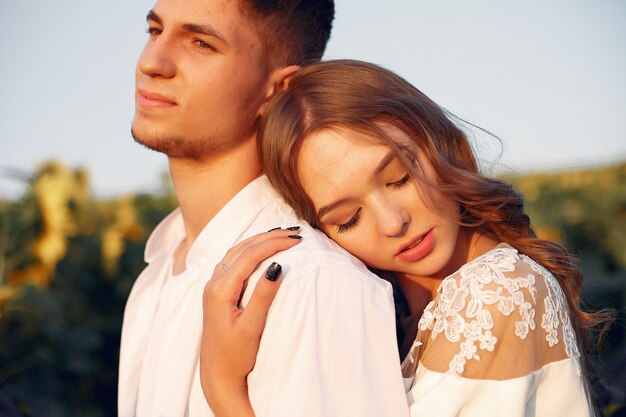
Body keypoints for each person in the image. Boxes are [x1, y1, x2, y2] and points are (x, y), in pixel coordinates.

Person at [200, 60, 609, 416]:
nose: (393, 222)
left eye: (400, 178)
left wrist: (222, 388)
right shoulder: (394, 317)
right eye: (348, 218)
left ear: (444, 145)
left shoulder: (495, 292)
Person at [118, 1, 410, 416]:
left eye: (201, 43)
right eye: (154, 30)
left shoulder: (309, 279)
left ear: (278, 89)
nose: (153, 62)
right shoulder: (160, 268)